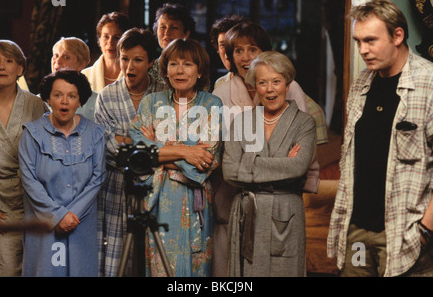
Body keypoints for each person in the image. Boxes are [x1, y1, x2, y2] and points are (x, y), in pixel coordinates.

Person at [328, 0, 433, 277]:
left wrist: (425, 230)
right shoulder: (361, 83)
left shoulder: (429, 83)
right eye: (358, 41)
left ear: (397, 35)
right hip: (358, 233)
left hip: (404, 234)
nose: (363, 50)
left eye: (371, 40)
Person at [210, 20, 317, 277]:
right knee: (236, 271)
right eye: (238, 50)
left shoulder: (298, 105)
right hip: (236, 199)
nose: (245, 56)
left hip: (284, 204)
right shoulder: (224, 91)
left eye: (253, 49)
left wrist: (248, 163)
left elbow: (300, 162)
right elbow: (228, 165)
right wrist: (281, 163)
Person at [129, 38, 222, 276]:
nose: (179, 70)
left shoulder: (212, 104)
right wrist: (186, 151)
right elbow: (137, 153)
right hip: (159, 200)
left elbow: (206, 161)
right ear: (165, 69)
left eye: (188, 64)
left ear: (200, 71)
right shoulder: (152, 102)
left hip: (196, 203)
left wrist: (158, 148)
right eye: (173, 64)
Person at [18, 70, 106, 276]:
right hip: (44, 223)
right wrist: (58, 215)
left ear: (80, 101)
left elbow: (98, 177)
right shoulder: (31, 134)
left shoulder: (95, 134)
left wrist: (72, 215)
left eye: (71, 96)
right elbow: (29, 180)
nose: (64, 102)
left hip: (80, 222)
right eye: (57, 95)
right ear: (48, 98)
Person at [94, 27, 165, 277]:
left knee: (153, 254)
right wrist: (150, 144)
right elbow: (109, 147)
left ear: (151, 62)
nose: (129, 66)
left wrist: (127, 140)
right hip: (116, 185)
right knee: (115, 258)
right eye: (124, 58)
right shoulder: (107, 96)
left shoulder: (163, 92)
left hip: (157, 184)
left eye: (138, 60)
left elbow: (170, 142)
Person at [0, 40, 47, 276]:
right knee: (5, 268)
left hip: (33, 201)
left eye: (9, 61)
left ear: (20, 69)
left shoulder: (36, 105)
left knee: (35, 268)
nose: (1, 66)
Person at [149, 3, 197, 90]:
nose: (167, 33)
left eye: (174, 28)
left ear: (186, 34)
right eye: (163, 27)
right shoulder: (149, 67)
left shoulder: (195, 69)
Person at [82, 12, 132, 92]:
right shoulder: (84, 76)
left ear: (126, 41)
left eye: (116, 37)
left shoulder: (137, 76)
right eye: (106, 37)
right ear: (99, 40)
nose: (110, 42)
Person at [51, 37, 97, 120]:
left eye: (66, 57)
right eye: (56, 55)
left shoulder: (97, 101)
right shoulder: (39, 101)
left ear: (81, 64)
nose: (58, 61)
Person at [209, 14, 247, 90]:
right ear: (217, 49)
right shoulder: (220, 84)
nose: (227, 50)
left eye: (231, 44)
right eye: (222, 45)